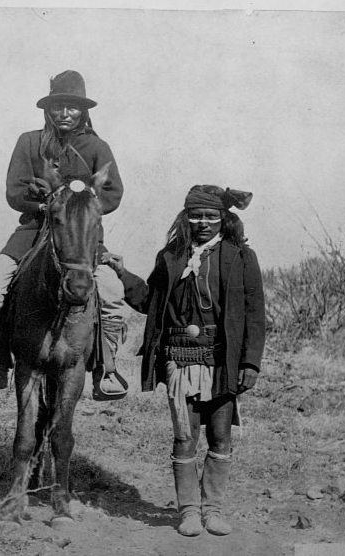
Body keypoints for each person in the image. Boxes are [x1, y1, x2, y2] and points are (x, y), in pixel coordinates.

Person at [106, 185, 265, 537]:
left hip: (223, 360)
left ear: (224, 218)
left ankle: (213, 510)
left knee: (221, 436)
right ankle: (189, 512)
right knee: (184, 438)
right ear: (186, 217)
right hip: (179, 359)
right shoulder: (171, 256)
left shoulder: (240, 256)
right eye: (196, 216)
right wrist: (121, 272)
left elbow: (255, 314)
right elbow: (150, 301)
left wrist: (250, 363)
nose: (203, 223)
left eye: (211, 216)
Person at [0, 69, 129, 400]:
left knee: (112, 293)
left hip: (80, 238)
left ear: (84, 111)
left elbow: (112, 192)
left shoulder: (97, 147)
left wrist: (78, 204)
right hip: (33, 231)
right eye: (58, 106)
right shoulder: (29, 141)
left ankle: (106, 368)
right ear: (48, 109)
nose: (65, 113)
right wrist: (44, 203)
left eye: (73, 107)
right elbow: (15, 190)